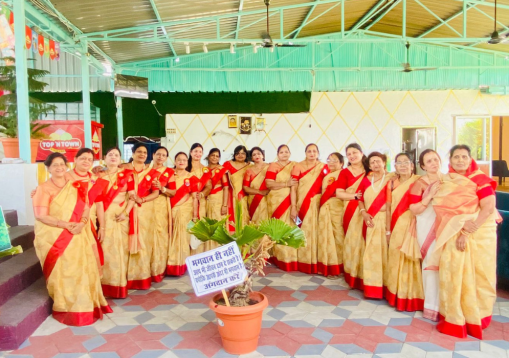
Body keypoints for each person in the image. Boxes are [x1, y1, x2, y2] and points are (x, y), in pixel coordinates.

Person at [33, 152, 112, 326]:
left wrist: (83, 223)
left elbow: (85, 207)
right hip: (54, 234)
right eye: (55, 165)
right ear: (48, 168)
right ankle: (65, 306)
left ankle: (84, 304)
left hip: (78, 230)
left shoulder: (75, 186)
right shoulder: (43, 188)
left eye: (62, 164)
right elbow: (40, 215)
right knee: (64, 270)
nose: (59, 168)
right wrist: (66, 225)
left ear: (67, 166)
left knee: (82, 269)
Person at [434, 145, 498, 339]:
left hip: (479, 233)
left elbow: (488, 208)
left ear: (470, 159)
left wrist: (469, 230)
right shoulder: (447, 181)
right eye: (456, 157)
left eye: (464, 157)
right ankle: (455, 315)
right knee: (453, 273)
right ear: (450, 161)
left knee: (479, 275)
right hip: (452, 232)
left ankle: (476, 315)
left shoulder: (481, 179)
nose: (460, 160)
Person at [94, 147, 135, 299]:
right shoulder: (98, 175)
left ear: (120, 159)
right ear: (104, 158)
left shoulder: (127, 175)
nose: (113, 157)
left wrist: (125, 213)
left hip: (120, 217)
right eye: (110, 154)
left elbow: (132, 197)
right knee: (105, 249)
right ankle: (105, 284)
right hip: (103, 216)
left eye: (116, 155)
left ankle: (120, 284)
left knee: (120, 251)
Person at [385, 153, 423, 311]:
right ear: (395, 167)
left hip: (414, 225)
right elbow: (388, 208)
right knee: (395, 256)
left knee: (411, 257)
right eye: (399, 163)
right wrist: (388, 230)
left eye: (405, 162)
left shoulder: (420, 181)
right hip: (395, 225)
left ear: (412, 165)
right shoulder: (391, 184)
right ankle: (396, 293)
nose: (402, 165)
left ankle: (413, 295)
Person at [408, 149, 442, 321]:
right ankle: (431, 306)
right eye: (429, 161)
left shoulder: (448, 180)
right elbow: (414, 209)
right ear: (422, 166)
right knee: (431, 264)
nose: (433, 163)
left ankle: (446, 306)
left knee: (446, 265)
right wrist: (428, 197)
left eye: (435, 159)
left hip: (446, 228)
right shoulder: (419, 183)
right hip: (426, 225)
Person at [358, 152, 395, 298]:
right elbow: (359, 197)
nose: (375, 164)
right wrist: (364, 212)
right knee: (371, 254)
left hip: (387, 220)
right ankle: (372, 287)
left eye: (378, 161)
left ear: (384, 161)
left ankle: (386, 286)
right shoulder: (366, 179)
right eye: (372, 162)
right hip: (371, 220)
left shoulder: (392, 178)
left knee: (386, 253)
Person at [124, 143, 161, 289]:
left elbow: (156, 192)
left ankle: (142, 276)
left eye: (144, 152)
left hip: (145, 211)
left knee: (144, 243)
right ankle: (126, 276)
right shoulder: (124, 169)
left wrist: (142, 199)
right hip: (126, 210)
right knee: (126, 241)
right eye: (139, 151)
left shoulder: (151, 173)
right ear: (132, 153)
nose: (142, 154)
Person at [290, 143, 328, 274]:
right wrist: (293, 206)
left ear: (318, 153)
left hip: (318, 205)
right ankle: (302, 261)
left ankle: (317, 261)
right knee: (301, 229)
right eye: (309, 151)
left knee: (316, 232)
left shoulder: (323, 167)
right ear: (305, 153)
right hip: (301, 204)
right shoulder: (298, 167)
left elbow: (328, 185)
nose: (312, 154)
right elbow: (293, 188)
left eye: (314, 151)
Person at [336, 143, 369, 289]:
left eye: (355, 152)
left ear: (362, 153)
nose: (352, 156)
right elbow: (339, 193)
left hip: (369, 209)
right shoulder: (344, 172)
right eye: (349, 154)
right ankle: (353, 273)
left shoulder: (370, 169)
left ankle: (366, 273)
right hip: (351, 209)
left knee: (367, 241)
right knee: (352, 241)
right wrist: (355, 196)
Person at [266, 145, 298, 271]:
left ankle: (289, 257)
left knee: (289, 228)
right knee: (278, 228)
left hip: (291, 200)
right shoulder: (273, 166)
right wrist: (286, 184)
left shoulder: (295, 165)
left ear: (290, 153)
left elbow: (296, 183)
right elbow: (269, 183)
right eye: (281, 152)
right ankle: (279, 257)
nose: (284, 154)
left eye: (286, 152)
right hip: (276, 201)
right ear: (277, 154)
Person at [167, 152, 199, 276]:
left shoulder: (192, 177)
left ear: (187, 162)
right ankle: (171, 264)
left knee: (184, 237)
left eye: (184, 160)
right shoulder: (169, 175)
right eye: (179, 159)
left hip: (185, 210)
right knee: (171, 235)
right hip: (171, 210)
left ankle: (182, 264)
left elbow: (195, 197)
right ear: (174, 161)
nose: (181, 162)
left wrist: (195, 215)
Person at [317, 152, 345, 278]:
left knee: (339, 235)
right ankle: (329, 263)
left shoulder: (344, 174)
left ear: (341, 163)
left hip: (338, 207)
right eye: (329, 160)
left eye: (335, 160)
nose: (331, 162)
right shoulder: (326, 176)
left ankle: (341, 264)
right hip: (326, 207)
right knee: (327, 236)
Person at [150, 147, 176, 282]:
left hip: (161, 205)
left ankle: (159, 268)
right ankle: (146, 269)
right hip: (146, 205)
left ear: (166, 158)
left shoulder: (169, 172)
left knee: (160, 235)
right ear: (153, 155)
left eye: (164, 155)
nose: (160, 157)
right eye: (158, 154)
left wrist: (163, 188)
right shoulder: (145, 170)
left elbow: (173, 192)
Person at [204, 148, 229, 251]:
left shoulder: (221, 170)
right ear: (208, 156)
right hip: (205, 200)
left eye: (217, 156)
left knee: (218, 224)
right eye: (213, 155)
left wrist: (224, 205)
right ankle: (208, 250)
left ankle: (218, 249)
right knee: (207, 225)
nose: (214, 157)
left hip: (218, 200)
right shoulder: (204, 169)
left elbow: (226, 187)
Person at [223, 145, 251, 231]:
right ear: (234, 155)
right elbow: (223, 182)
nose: (240, 155)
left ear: (246, 155)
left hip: (244, 195)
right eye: (238, 153)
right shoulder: (227, 164)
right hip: (230, 196)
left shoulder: (250, 166)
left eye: (243, 153)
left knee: (243, 217)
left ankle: (243, 242)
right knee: (231, 218)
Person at [243, 147, 270, 224]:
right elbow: (245, 188)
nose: (257, 156)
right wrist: (260, 192)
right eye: (254, 155)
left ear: (263, 155)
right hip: (254, 199)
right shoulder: (249, 171)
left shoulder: (270, 167)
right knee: (256, 223)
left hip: (269, 197)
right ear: (251, 158)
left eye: (259, 153)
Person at [187, 143, 212, 225]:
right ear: (191, 152)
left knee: (200, 225)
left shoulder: (205, 169)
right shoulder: (184, 166)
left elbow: (208, 186)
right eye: (195, 151)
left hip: (200, 200)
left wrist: (202, 194)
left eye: (200, 152)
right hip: (186, 200)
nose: (198, 154)